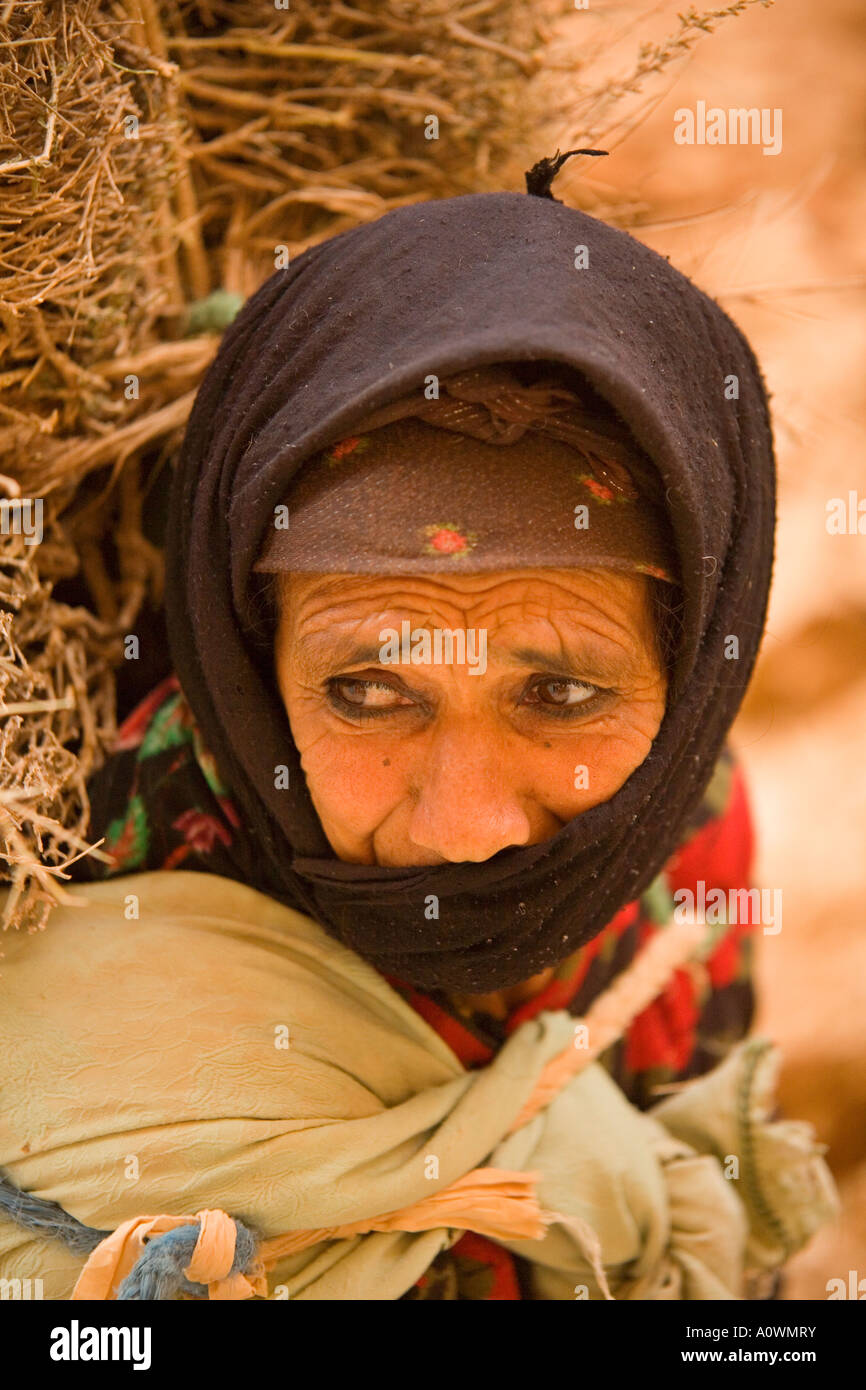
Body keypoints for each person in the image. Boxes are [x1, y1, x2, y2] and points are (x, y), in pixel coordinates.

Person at [0, 171, 836, 1300]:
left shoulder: (684, 843)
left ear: (687, 683)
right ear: (247, 664)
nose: (466, 830)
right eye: (367, 692)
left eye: (561, 696)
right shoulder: (82, 880)